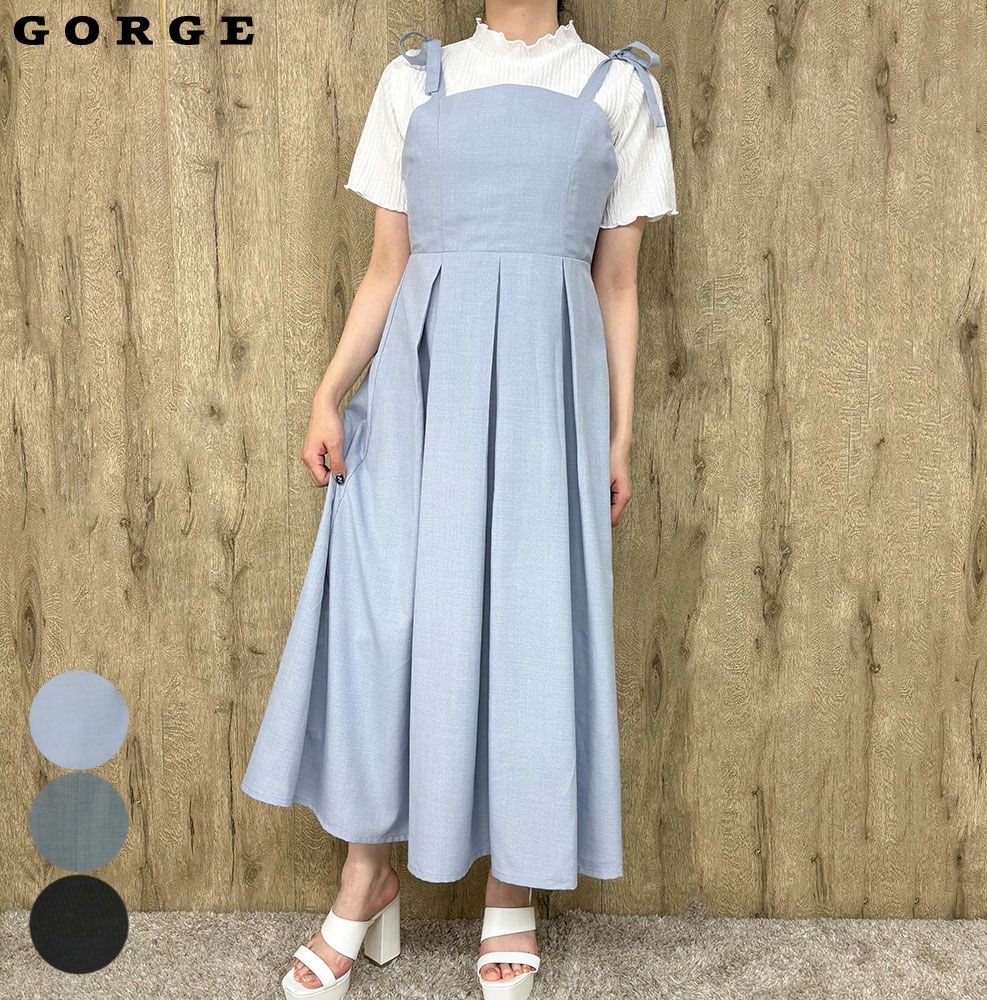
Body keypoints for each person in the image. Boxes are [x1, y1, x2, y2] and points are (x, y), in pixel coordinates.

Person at [241, 3, 677, 997]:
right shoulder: (413, 82)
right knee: (388, 624)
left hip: (544, 403)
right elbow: (386, 265)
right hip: (418, 394)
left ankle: (511, 888)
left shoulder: (619, 89)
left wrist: (616, 436)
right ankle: (367, 876)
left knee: (527, 627)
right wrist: (329, 391)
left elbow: (617, 283)